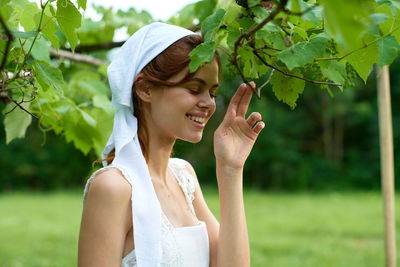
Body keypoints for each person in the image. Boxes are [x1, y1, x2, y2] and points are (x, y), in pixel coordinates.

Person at [78, 22, 264, 267]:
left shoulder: (184, 176)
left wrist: (231, 169)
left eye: (212, 92)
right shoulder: (113, 188)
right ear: (145, 89)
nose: (208, 103)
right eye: (194, 89)